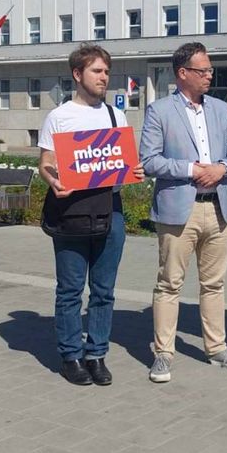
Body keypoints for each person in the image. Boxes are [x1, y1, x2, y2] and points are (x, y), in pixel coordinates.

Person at [139, 41, 227, 383]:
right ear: (182, 73)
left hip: (217, 208)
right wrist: (191, 169)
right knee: (169, 283)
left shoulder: (221, 109)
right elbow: (149, 160)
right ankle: (164, 353)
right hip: (178, 211)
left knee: (214, 284)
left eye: (210, 70)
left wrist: (220, 169)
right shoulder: (159, 111)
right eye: (203, 71)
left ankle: (216, 347)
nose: (209, 76)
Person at [37, 44, 144, 386]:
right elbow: (46, 163)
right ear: (77, 74)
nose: (104, 78)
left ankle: (96, 353)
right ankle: (70, 355)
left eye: (106, 72)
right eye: (97, 71)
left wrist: (134, 170)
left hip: (110, 209)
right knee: (70, 290)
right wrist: (52, 179)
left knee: (103, 289)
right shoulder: (60, 117)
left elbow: (124, 161)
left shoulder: (115, 115)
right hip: (72, 209)